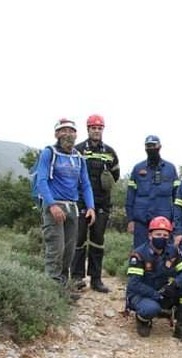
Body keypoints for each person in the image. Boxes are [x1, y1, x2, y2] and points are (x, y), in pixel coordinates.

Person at [34, 118, 95, 292]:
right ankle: (52, 291)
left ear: (76, 134)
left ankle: (62, 288)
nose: (68, 133)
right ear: (56, 134)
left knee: (69, 252)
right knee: (56, 250)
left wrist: (91, 207)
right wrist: (52, 205)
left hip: (72, 207)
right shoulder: (49, 153)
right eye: (63, 130)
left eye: (71, 130)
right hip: (54, 206)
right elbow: (42, 180)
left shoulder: (78, 157)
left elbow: (85, 184)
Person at [125, 216, 182, 341]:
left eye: (165, 235)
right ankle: (142, 319)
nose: (161, 238)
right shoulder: (139, 254)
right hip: (143, 295)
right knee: (151, 309)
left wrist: (175, 284)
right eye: (158, 234)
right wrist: (156, 295)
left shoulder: (174, 252)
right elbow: (134, 284)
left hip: (165, 291)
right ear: (150, 235)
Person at [71, 114, 120, 293]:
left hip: (102, 203)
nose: (96, 131)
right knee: (79, 239)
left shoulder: (109, 152)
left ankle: (96, 279)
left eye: (99, 128)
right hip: (81, 201)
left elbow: (115, 175)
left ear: (102, 130)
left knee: (98, 240)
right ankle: (76, 277)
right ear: (88, 129)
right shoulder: (78, 150)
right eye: (93, 128)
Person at [125, 135, 179, 248]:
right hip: (141, 222)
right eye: (148, 146)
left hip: (164, 222)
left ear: (159, 146)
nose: (151, 148)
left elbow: (177, 199)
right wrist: (130, 220)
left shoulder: (170, 169)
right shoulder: (137, 169)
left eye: (153, 145)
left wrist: (175, 221)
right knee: (140, 254)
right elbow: (130, 197)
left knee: (164, 255)